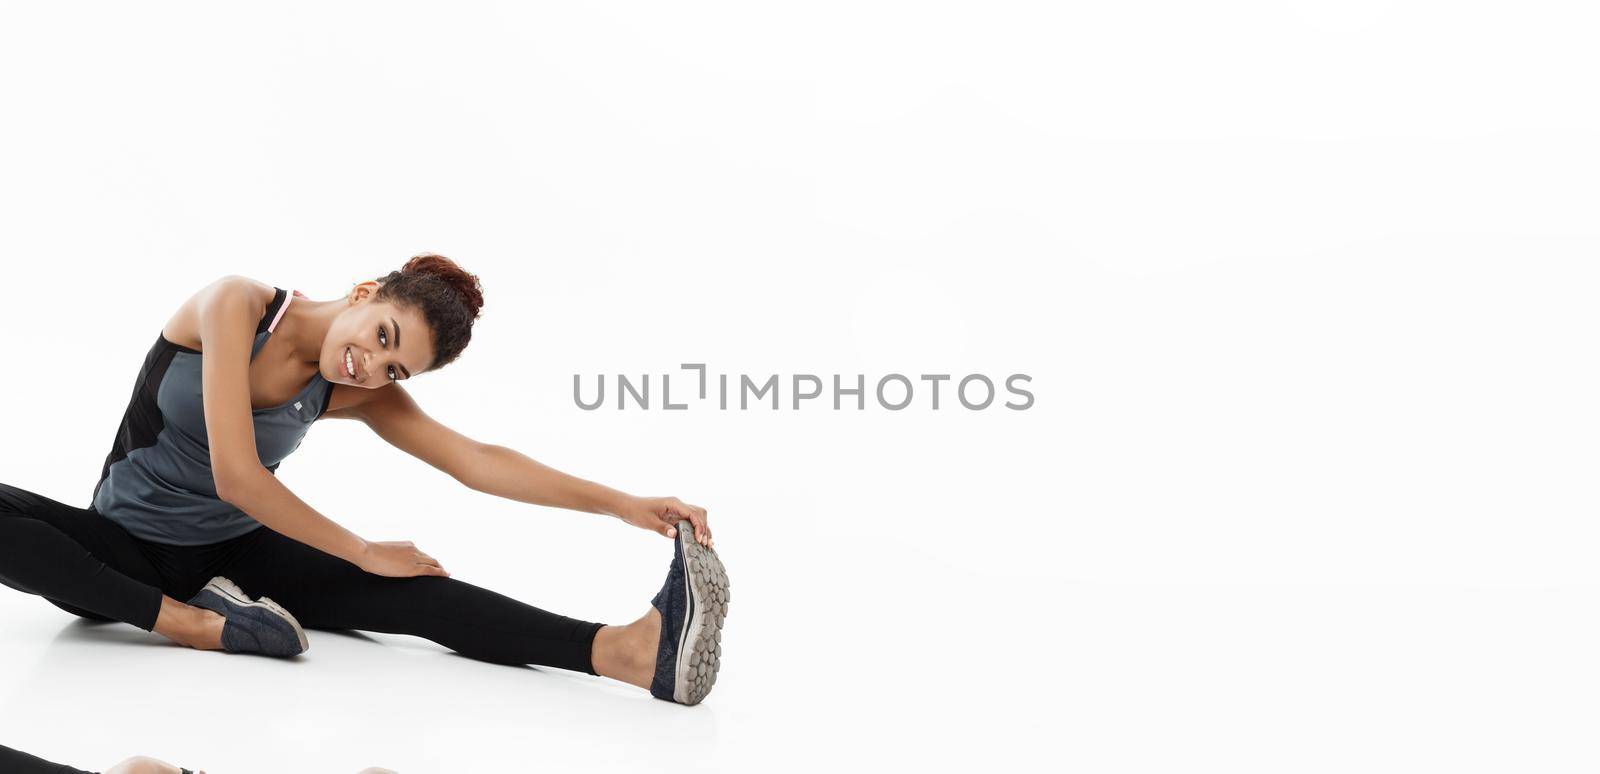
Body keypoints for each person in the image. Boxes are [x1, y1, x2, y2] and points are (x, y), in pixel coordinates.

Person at [0, 255, 729, 706]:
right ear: (364, 290)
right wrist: (358, 548)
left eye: (394, 369)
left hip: (236, 555)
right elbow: (237, 476)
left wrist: (622, 503)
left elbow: (472, 459)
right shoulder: (235, 306)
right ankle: (196, 623)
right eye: (381, 336)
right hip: (117, 549)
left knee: (415, 594)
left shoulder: (350, 389)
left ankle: (628, 655)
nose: (369, 368)